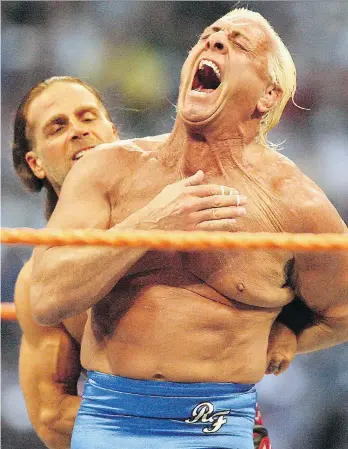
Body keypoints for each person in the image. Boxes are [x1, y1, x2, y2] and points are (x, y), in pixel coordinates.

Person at [30, 8, 348, 448]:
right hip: (110, 419)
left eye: (239, 45)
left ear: (268, 95)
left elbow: (342, 311)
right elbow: (46, 299)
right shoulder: (107, 170)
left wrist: (293, 332)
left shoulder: (297, 205)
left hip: (216, 425)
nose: (214, 42)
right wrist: (146, 227)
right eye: (209, 35)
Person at [13, 75, 293, 448]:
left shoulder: (192, 200)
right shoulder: (41, 281)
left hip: (224, 425)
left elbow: (293, 281)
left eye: (87, 117)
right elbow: (51, 414)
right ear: (36, 163)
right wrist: (158, 423)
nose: (78, 131)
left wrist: (292, 329)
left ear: (113, 132)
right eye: (57, 127)